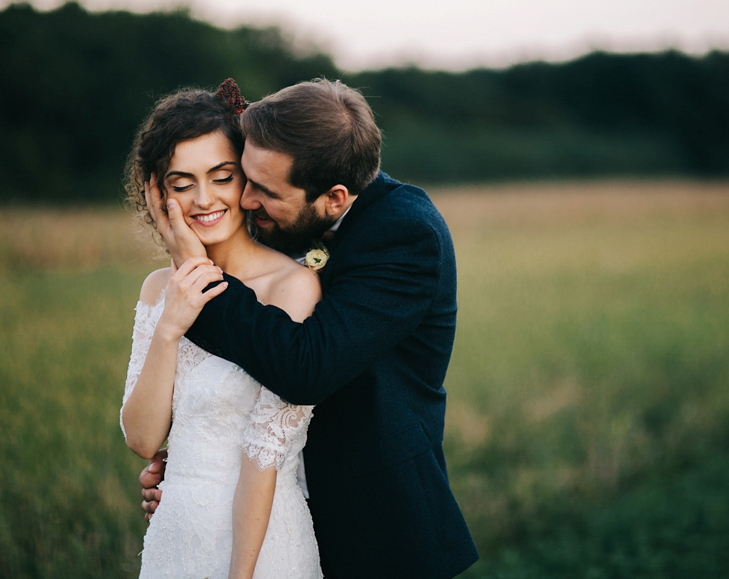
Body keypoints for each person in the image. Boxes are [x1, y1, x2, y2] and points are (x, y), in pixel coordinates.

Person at [142, 78, 479, 578]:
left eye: (263, 190)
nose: (247, 202)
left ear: (335, 198)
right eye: (245, 178)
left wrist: (197, 273)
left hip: (375, 528)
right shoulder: (285, 215)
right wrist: (198, 461)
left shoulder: (406, 236)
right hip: (279, 506)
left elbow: (305, 367)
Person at [121, 79, 324, 578]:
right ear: (157, 193)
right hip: (176, 536)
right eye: (182, 183)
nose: (204, 199)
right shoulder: (156, 289)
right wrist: (169, 325)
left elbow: (266, 452)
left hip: (261, 543)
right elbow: (144, 439)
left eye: (221, 176)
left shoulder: (291, 286)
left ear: (247, 181)